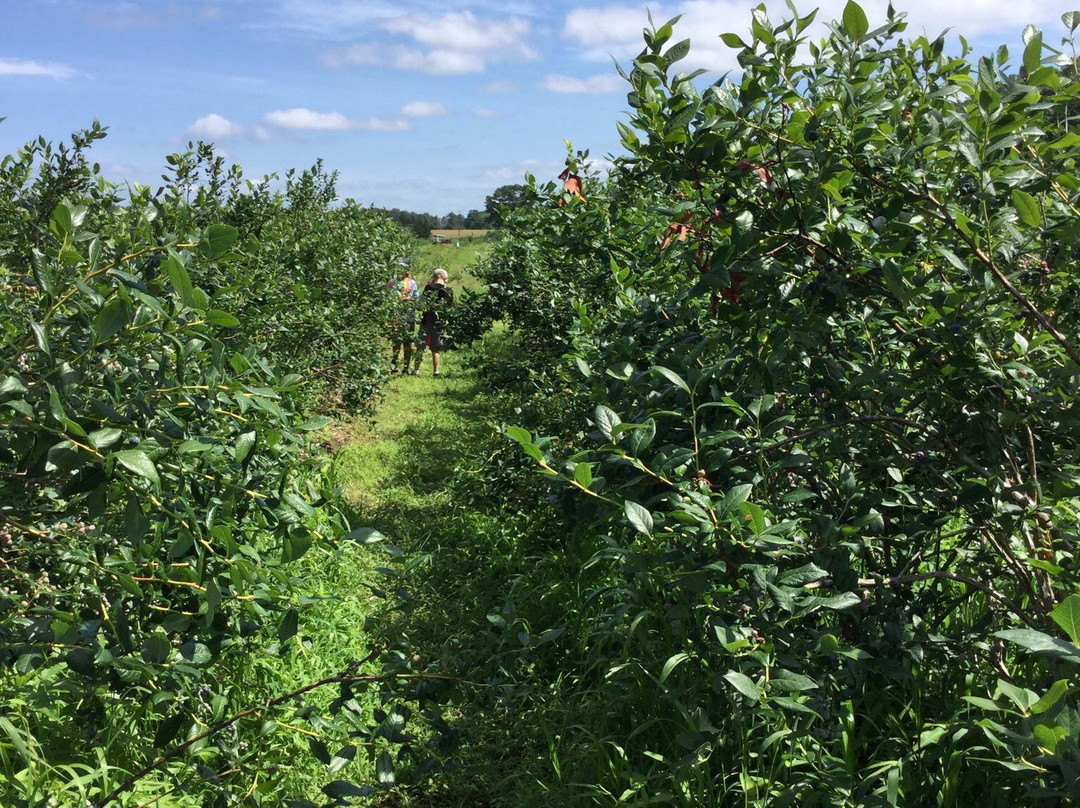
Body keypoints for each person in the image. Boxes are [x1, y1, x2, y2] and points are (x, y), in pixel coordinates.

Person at [412, 268, 453, 377]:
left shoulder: (428, 287)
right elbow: (449, 306)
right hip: (439, 322)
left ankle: (415, 371)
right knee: (436, 349)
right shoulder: (448, 290)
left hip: (426, 320)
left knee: (420, 347)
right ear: (444, 278)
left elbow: (421, 303)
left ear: (434, 277)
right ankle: (436, 372)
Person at [389, 262, 419, 373]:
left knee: (407, 342)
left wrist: (408, 299)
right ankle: (394, 364)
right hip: (396, 316)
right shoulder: (392, 283)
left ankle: (406, 367)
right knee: (396, 341)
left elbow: (416, 297)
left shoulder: (412, 283)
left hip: (408, 316)